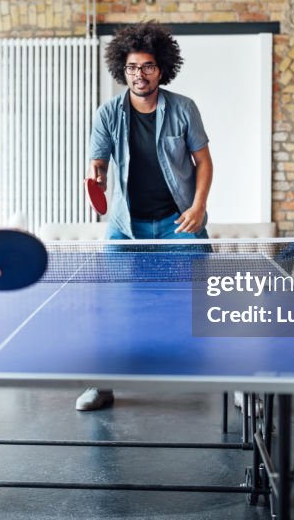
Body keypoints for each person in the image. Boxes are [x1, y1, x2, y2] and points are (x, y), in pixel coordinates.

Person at [77, 21, 213, 411]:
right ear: (123, 69)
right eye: (133, 67)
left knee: (203, 302)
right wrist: (96, 175)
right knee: (108, 305)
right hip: (127, 225)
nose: (140, 74)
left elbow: (203, 163)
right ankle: (101, 385)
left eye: (148, 66)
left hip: (179, 221)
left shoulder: (184, 109)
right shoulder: (108, 113)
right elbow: (97, 163)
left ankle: (238, 384)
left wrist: (199, 206)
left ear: (161, 69)